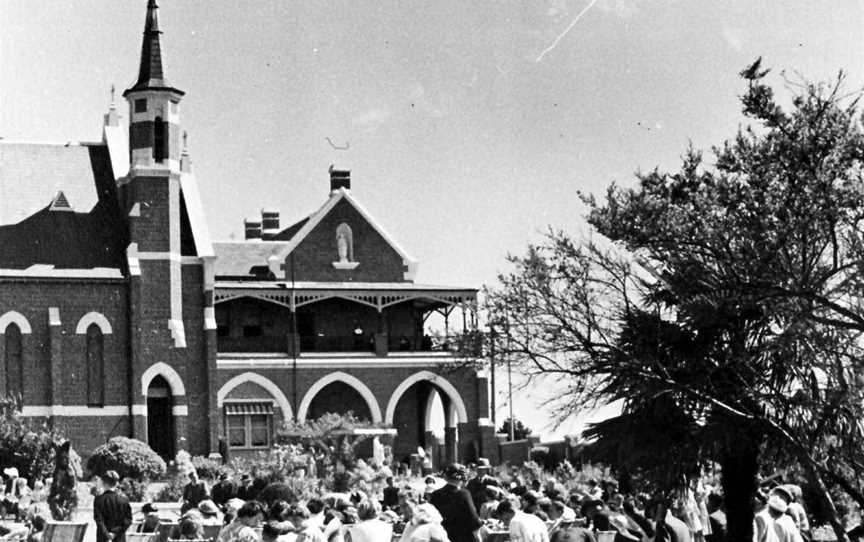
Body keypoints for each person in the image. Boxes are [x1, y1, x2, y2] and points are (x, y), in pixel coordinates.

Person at [428, 464, 481, 542]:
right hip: (462, 537)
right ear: (463, 478)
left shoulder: (435, 494)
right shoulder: (463, 494)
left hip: (441, 537)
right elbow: (474, 519)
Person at [93, 471, 133, 542]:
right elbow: (128, 520)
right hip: (119, 538)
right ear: (116, 483)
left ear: (104, 483)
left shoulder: (98, 500)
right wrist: (115, 532)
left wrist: (107, 535)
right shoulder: (124, 500)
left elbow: (99, 521)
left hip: (103, 538)